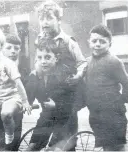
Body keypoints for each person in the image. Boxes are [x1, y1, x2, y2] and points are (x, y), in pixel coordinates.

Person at [34, 0, 87, 149]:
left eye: (49, 18)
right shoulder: (39, 39)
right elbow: (37, 63)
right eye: (41, 19)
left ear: (58, 20)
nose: (45, 23)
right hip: (50, 97)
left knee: (67, 142)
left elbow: (82, 62)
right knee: (40, 140)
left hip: (67, 98)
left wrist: (78, 76)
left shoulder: (69, 41)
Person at [25, 38, 85, 151]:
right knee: (32, 148)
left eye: (47, 57)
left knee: (54, 150)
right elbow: (28, 97)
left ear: (56, 58)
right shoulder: (35, 77)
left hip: (66, 120)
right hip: (47, 117)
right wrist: (26, 103)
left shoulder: (67, 74)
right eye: (39, 57)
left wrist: (57, 105)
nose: (43, 61)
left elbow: (80, 100)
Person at [84, 24, 128, 151]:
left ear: (110, 44)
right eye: (94, 41)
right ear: (89, 42)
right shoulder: (87, 62)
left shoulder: (114, 61)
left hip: (113, 114)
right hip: (96, 114)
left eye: (102, 42)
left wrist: (119, 102)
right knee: (106, 146)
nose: (98, 44)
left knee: (116, 147)